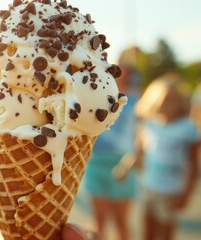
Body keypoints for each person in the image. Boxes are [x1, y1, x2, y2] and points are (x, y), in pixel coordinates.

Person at [134, 72, 200, 240]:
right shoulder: (149, 123)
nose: (168, 104)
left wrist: (186, 193)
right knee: (147, 230)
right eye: (165, 99)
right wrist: (125, 167)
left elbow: (193, 164)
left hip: (171, 190)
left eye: (173, 100)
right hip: (148, 186)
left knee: (165, 232)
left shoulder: (187, 128)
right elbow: (140, 151)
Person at [84, 48, 140, 240]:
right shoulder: (98, 94)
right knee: (99, 221)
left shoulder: (136, 99)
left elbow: (142, 135)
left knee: (121, 221)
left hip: (122, 162)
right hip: (95, 162)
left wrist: (133, 160)